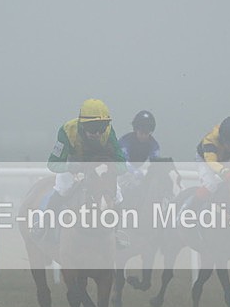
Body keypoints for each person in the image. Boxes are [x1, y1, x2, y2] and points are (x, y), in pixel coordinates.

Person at [37, 98, 127, 242]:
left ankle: (118, 232)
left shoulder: (109, 132)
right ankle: (43, 226)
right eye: (93, 129)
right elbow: (53, 164)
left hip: (98, 170)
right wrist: (71, 167)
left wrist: (109, 168)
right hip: (74, 167)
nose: (98, 133)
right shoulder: (67, 130)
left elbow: (122, 166)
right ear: (82, 125)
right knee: (62, 189)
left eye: (102, 127)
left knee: (118, 194)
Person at [119, 110, 160, 180]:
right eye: (141, 132)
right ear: (135, 130)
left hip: (137, 173)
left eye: (146, 133)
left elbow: (155, 163)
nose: (144, 136)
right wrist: (136, 172)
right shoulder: (124, 141)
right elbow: (123, 162)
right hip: (119, 172)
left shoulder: (154, 146)